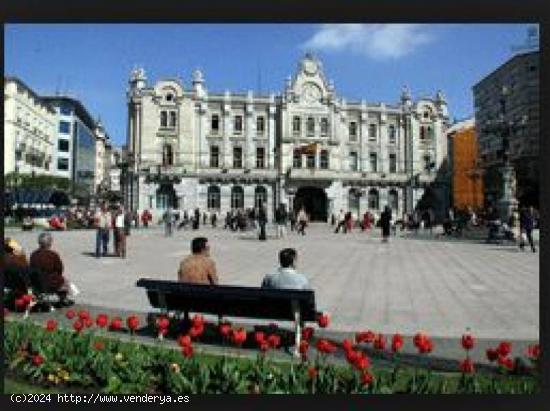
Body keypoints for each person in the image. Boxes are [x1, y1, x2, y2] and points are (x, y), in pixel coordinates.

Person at [29, 232, 73, 305]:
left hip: (36, 282)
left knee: (57, 279)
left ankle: (43, 296)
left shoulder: (33, 254)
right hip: (50, 282)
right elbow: (60, 269)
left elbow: (31, 267)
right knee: (65, 281)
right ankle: (63, 299)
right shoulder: (53, 255)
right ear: (50, 243)